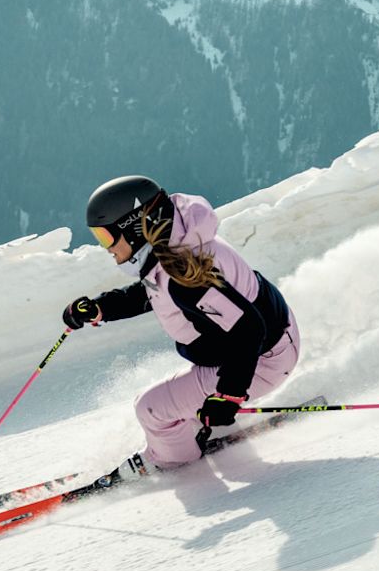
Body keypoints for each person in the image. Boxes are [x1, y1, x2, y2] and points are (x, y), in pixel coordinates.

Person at [59, 176, 301, 468]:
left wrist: (229, 395)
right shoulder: (177, 245)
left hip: (262, 359)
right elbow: (154, 291)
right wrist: (101, 308)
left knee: (151, 410)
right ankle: (195, 425)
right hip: (273, 343)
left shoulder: (184, 275)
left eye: (106, 237)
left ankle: (172, 463)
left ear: (134, 229)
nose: (106, 248)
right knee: (174, 399)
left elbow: (248, 330)